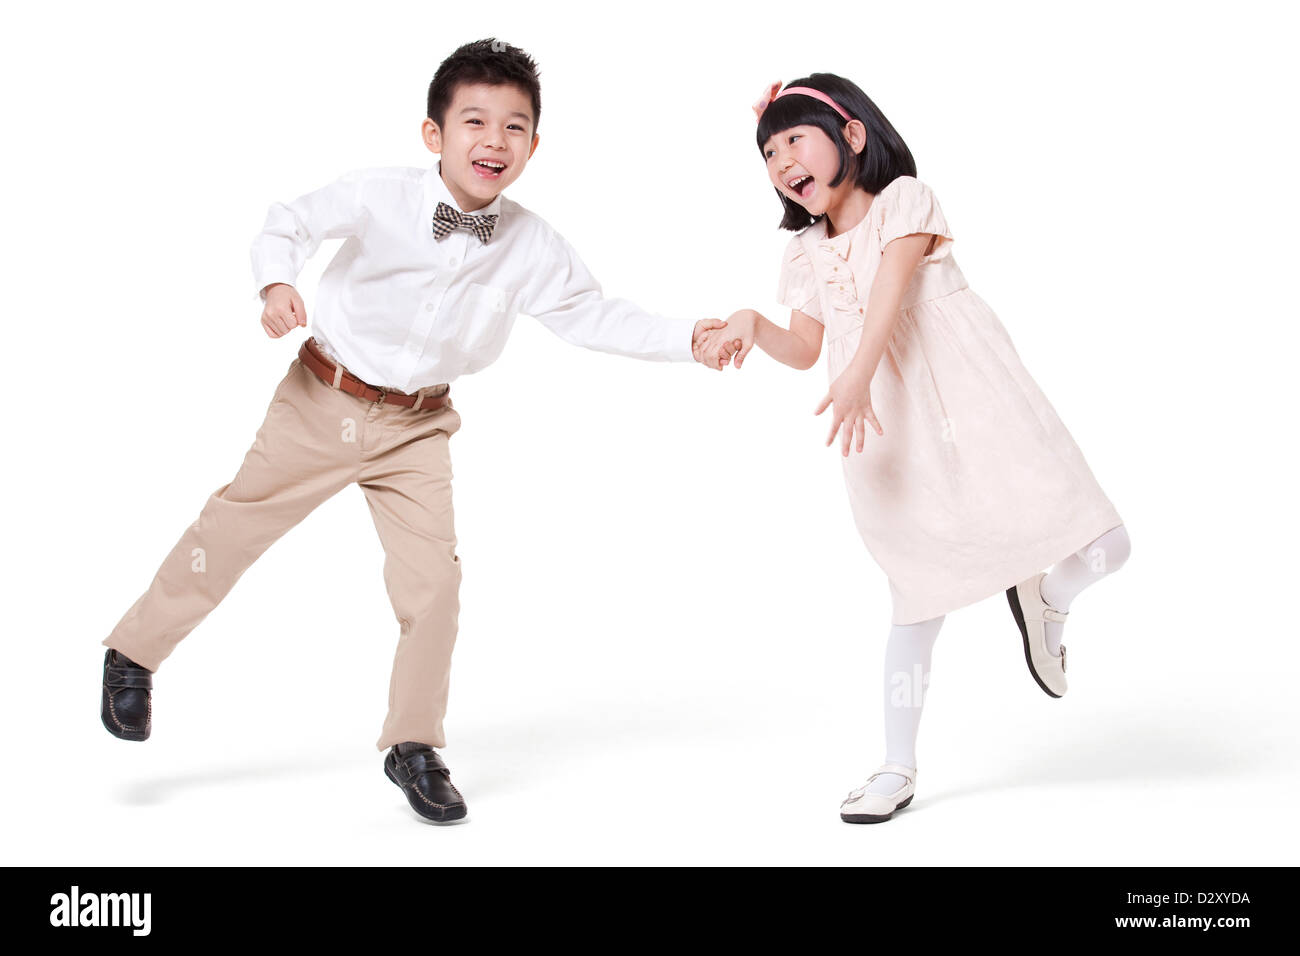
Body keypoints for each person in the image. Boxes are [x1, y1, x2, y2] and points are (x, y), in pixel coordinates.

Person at [100, 38, 733, 825]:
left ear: (535, 146)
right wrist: (275, 284)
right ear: (434, 135)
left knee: (434, 586)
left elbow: (592, 314)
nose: (493, 141)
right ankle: (134, 651)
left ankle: (413, 744)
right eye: (475, 121)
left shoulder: (533, 244)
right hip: (321, 398)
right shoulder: (378, 194)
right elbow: (289, 222)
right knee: (229, 531)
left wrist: (689, 338)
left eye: (514, 127)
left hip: (419, 427)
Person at [696, 74, 1132, 823]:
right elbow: (806, 348)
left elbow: (894, 287)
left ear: (852, 137)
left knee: (1107, 544)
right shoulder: (802, 252)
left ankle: (1046, 601)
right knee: (916, 597)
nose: (780, 164)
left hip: (975, 398)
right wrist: (748, 323)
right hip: (885, 431)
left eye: (794, 140)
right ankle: (896, 767)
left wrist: (859, 372)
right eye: (768, 154)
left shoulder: (906, 200)